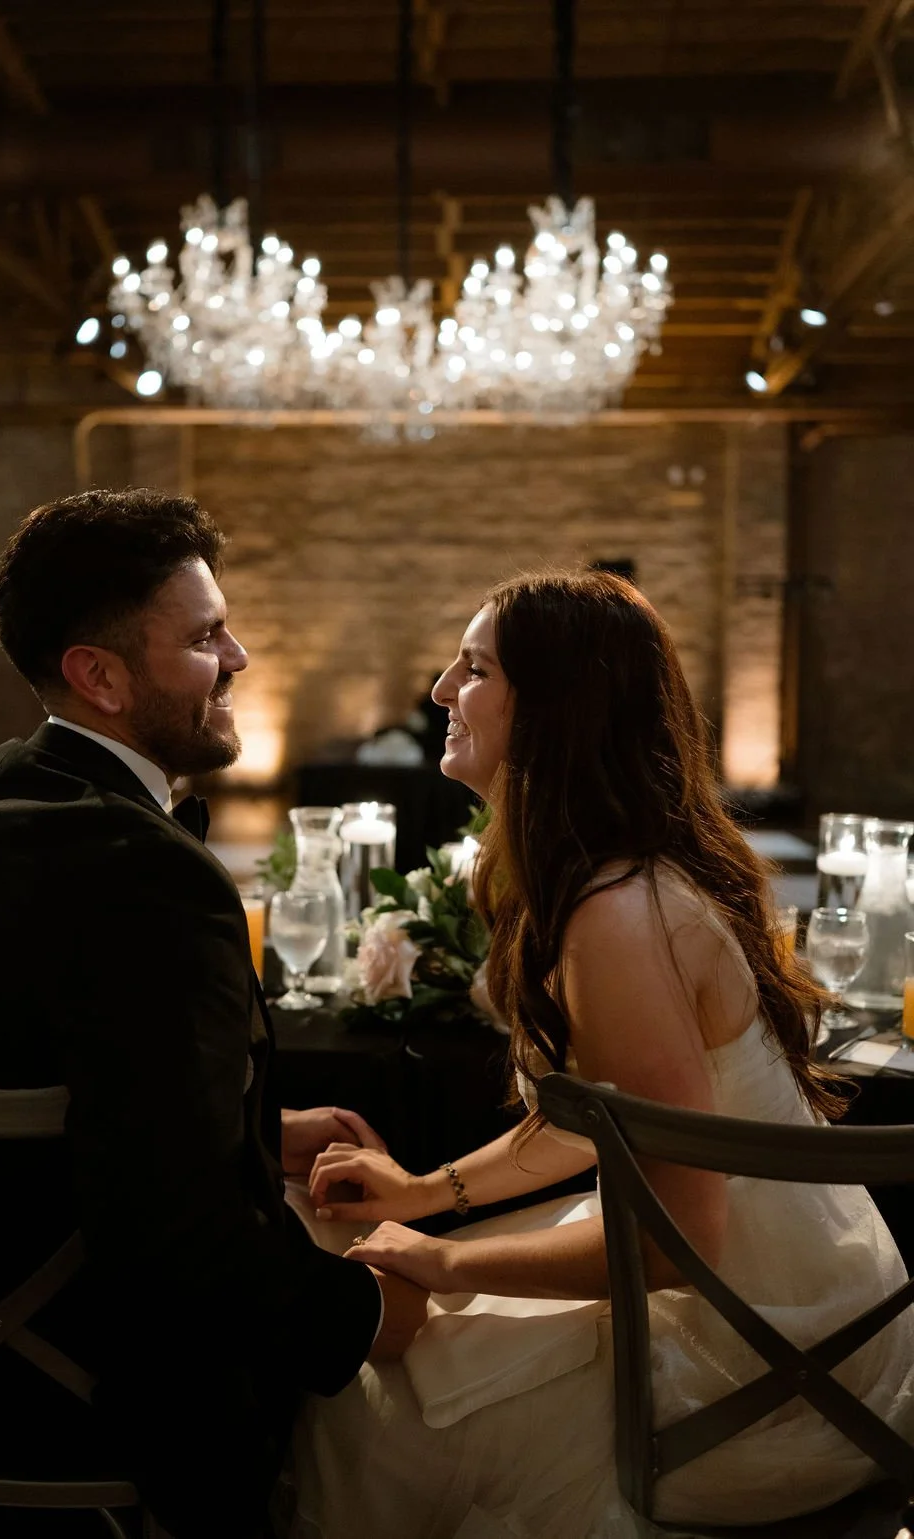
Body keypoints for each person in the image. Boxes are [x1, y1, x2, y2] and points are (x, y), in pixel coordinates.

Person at [290, 570, 914, 1538]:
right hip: (731, 1289)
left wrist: (449, 1267)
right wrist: (427, 1193)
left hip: (758, 1359)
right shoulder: (593, 883)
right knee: (378, 1306)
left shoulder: (620, 918)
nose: (440, 691)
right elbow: (601, 1123)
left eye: (474, 667)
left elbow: (677, 1242)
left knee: (362, 1403)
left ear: (554, 708)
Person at [0, 488, 426, 1538]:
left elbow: (24, 1090)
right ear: (99, 675)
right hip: (101, 1395)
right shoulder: (154, 878)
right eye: (206, 636)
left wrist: (255, 1136)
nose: (240, 658)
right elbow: (176, 1228)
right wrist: (359, 1318)